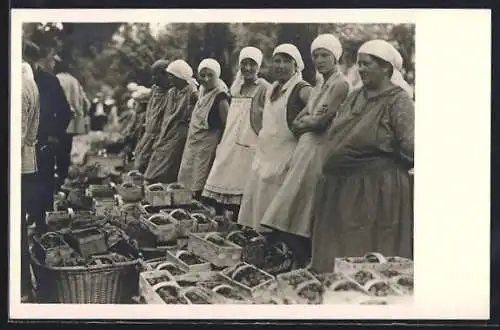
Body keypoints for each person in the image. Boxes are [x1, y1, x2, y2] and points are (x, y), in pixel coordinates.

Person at [310, 39, 414, 274]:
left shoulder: (399, 100)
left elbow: (410, 148)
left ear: (386, 68)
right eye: (359, 64)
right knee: (338, 251)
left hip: (373, 189)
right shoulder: (357, 94)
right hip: (343, 186)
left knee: (364, 252)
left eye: (367, 64)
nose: (361, 69)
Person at [259, 34, 350, 268]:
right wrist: (307, 121)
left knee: (300, 206)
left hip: (319, 150)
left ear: (335, 57)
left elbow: (318, 122)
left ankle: (307, 260)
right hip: (305, 147)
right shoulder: (320, 84)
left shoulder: (340, 84)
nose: (319, 60)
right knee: (290, 209)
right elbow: (299, 120)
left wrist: (308, 121)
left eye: (324, 55)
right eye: (316, 56)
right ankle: (300, 259)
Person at [237, 44, 312, 242]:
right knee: (261, 204)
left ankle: (282, 248)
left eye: (286, 61)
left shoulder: (301, 89)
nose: (280, 65)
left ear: (296, 66)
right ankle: (266, 245)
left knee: (279, 209)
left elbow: (319, 106)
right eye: (276, 60)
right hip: (266, 152)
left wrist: (303, 122)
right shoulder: (273, 88)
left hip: (286, 154)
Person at [202, 47, 271, 217]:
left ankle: (243, 222)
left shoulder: (264, 87)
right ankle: (226, 220)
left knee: (244, 184)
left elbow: (269, 115)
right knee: (224, 178)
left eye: (252, 64)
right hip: (230, 140)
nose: (247, 68)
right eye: (244, 63)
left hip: (251, 141)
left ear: (259, 66)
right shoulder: (235, 87)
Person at [30, 43, 73, 233]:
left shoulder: (49, 81)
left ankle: (41, 224)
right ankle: (28, 215)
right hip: (22, 144)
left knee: (44, 182)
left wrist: (54, 135)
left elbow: (65, 112)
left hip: (44, 141)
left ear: (34, 60)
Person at [178, 58, 230, 199]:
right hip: (195, 140)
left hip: (208, 144)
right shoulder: (203, 89)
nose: (206, 79)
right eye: (202, 75)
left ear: (217, 75)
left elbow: (227, 124)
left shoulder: (221, 96)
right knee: (189, 174)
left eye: (210, 75)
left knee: (202, 177)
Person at [144, 60, 198, 184]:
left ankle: (156, 182)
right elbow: (167, 115)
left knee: (167, 158)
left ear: (180, 77)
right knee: (158, 153)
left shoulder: (191, 90)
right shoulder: (172, 92)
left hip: (181, 132)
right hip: (168, 129)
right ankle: (153, 182)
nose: (170, 79)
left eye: (172, 76)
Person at [54, 56, 91, 190]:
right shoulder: (74, 81)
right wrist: (83, 113)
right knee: (67, 147)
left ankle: (58, 177)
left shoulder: (56, 79)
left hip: (59, 118)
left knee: (57, 146)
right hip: (74, 118)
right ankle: (64, 175)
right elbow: (86, 101)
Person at [21, 60, 40, 301]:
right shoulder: (30, 84)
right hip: (26, 163)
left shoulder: (20, 86)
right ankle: (24, 286)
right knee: (19, 228)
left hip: (16, 164)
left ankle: (23, 288)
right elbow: (32, 132)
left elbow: (19, 132)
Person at [133, 60, 171, 173]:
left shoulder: (171, 92)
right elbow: (140, 97)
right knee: (140, 160)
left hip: (161, 134)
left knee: (153, 164)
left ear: (165, 74)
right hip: (149, 131)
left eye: (156, 74)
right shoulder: (154, 89)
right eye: (152, 74)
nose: (153, 78)